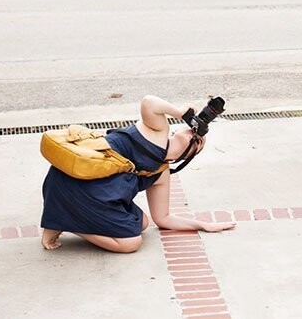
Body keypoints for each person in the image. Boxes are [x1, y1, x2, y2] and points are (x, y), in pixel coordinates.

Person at [40, 95, 235, 252]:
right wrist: (177, 111)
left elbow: (164, 219)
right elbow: (149, 102)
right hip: (71, 180)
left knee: (142, 223)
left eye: (199, 141)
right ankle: (63, 222)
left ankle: (70, 223)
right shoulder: (157, 131)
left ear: (188, 155)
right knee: (131, 243)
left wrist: (202, 225)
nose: (195, 135)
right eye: (194, 132)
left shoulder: (161, 173)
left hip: (96, 195)